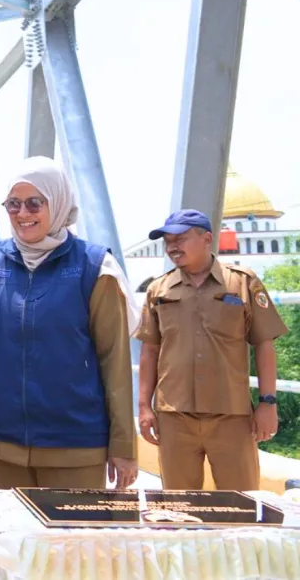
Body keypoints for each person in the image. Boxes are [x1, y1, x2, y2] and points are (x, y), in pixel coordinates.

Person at [0, 157, 138, 490]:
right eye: (13, 204)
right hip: (5, 442)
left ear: (59, 202)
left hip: (76, 444)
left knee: (76, 527)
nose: (23, 213)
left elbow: (115, 360)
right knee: (15, 526)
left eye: (35, 203)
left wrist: (123, 445)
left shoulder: (94, 266)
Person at [136, 209, 288, 490]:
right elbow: (150, 351)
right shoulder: (158, 290)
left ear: (207, 239)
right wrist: (144, 407)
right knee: (180, 505)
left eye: (180, 239)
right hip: (175, 416)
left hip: (231, 415)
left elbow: (264, 344)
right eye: (168, 241)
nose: (172, 247)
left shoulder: (243, 282)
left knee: (242, 502)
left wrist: (268, 403)